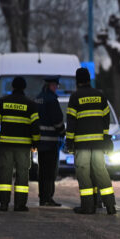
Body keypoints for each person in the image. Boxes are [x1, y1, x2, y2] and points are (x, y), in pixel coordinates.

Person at [65, 68, 116, 215]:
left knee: (83, 173)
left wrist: (69, 141)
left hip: (82, 145)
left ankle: (87, 206)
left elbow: (71, 121)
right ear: (89, 79)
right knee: (101, 172)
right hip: (98, 144)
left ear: (77, 81)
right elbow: (106, 119)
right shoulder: (100, 96)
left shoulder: (75, 97)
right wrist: (106, 137)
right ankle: (110, 205)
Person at [0, 76, 40, 212]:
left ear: (12, 86)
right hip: (23, 147)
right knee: (22, 175)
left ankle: (4, 203)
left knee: (5, 174)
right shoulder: (30, 104)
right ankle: (20, 205)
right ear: (24, 87)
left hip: (5, 145)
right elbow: (35, 126)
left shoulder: (3, 102)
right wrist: (35, 142)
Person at [36, 76, 65, 206]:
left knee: (42, 171)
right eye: (55, 86)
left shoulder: (38, 98)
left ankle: (42, 196)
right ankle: (48, 197)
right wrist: (62, 133)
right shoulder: (52, 100)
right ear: (51, 85)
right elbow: (57, 120)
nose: (56, 88)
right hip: (51, 142)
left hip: (40, 142)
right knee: (50, 172)